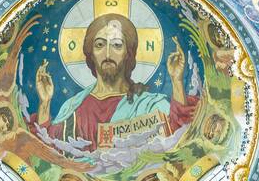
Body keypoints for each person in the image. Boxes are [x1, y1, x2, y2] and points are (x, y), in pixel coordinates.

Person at [32, 13, 198, 147]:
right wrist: (45, 104)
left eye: (117, 45)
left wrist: (176, 81)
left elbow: (179, 135)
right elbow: (48, 149)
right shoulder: (73, 107)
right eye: (99, 45)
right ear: (90, 53)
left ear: (128, 53)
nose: (108, 54)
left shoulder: (148, 104)